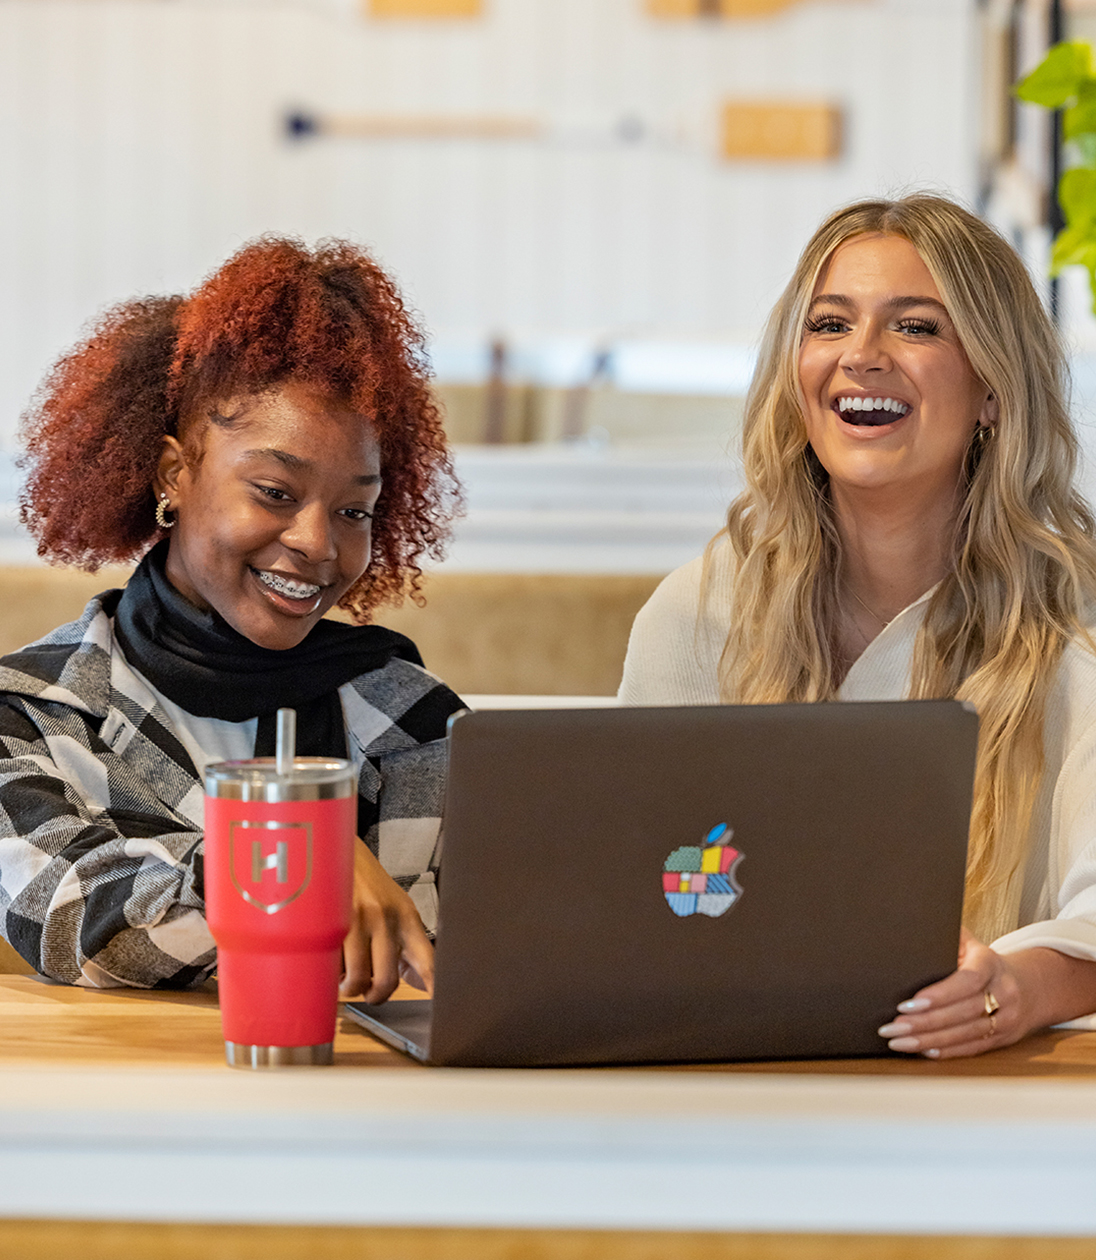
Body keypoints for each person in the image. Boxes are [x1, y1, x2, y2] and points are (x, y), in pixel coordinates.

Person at [620, 193, 1096, 1058]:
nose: (862, 357)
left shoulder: (1078, 621)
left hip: (993, 1111)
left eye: (916, 328)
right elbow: (640, 891)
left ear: (993, 388)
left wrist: (1013, 991)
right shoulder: (698, 613)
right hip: (739, 1081)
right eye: (830, 323)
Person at [0, 236, 464, 1001]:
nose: (317, 542)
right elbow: (73, 923)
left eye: (354, 509)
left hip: (375, 1111)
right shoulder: (34, 716)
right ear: (174, 475)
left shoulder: (414, 724)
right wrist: (286, 857)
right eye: (276, 492)